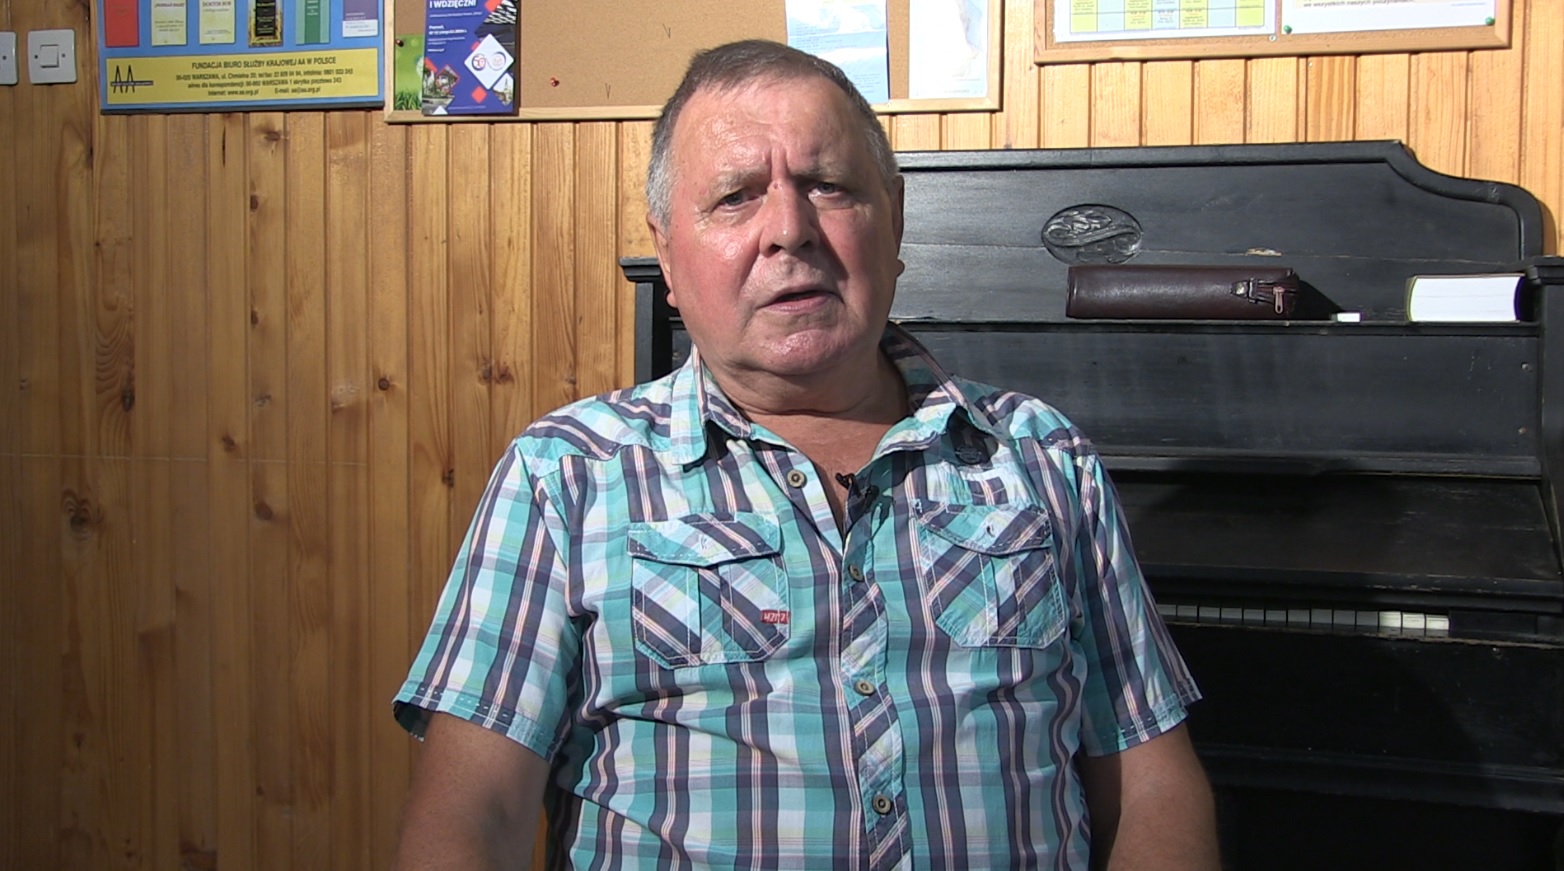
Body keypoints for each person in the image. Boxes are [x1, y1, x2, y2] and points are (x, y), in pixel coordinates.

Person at [390, 39, 1220, 871]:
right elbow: (473, 813)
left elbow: (1151, 784)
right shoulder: (565, 474)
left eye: (829, 186)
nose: (789, 230)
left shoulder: (1043, 456)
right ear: (668, 253)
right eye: (735, 197)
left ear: (894, 218)